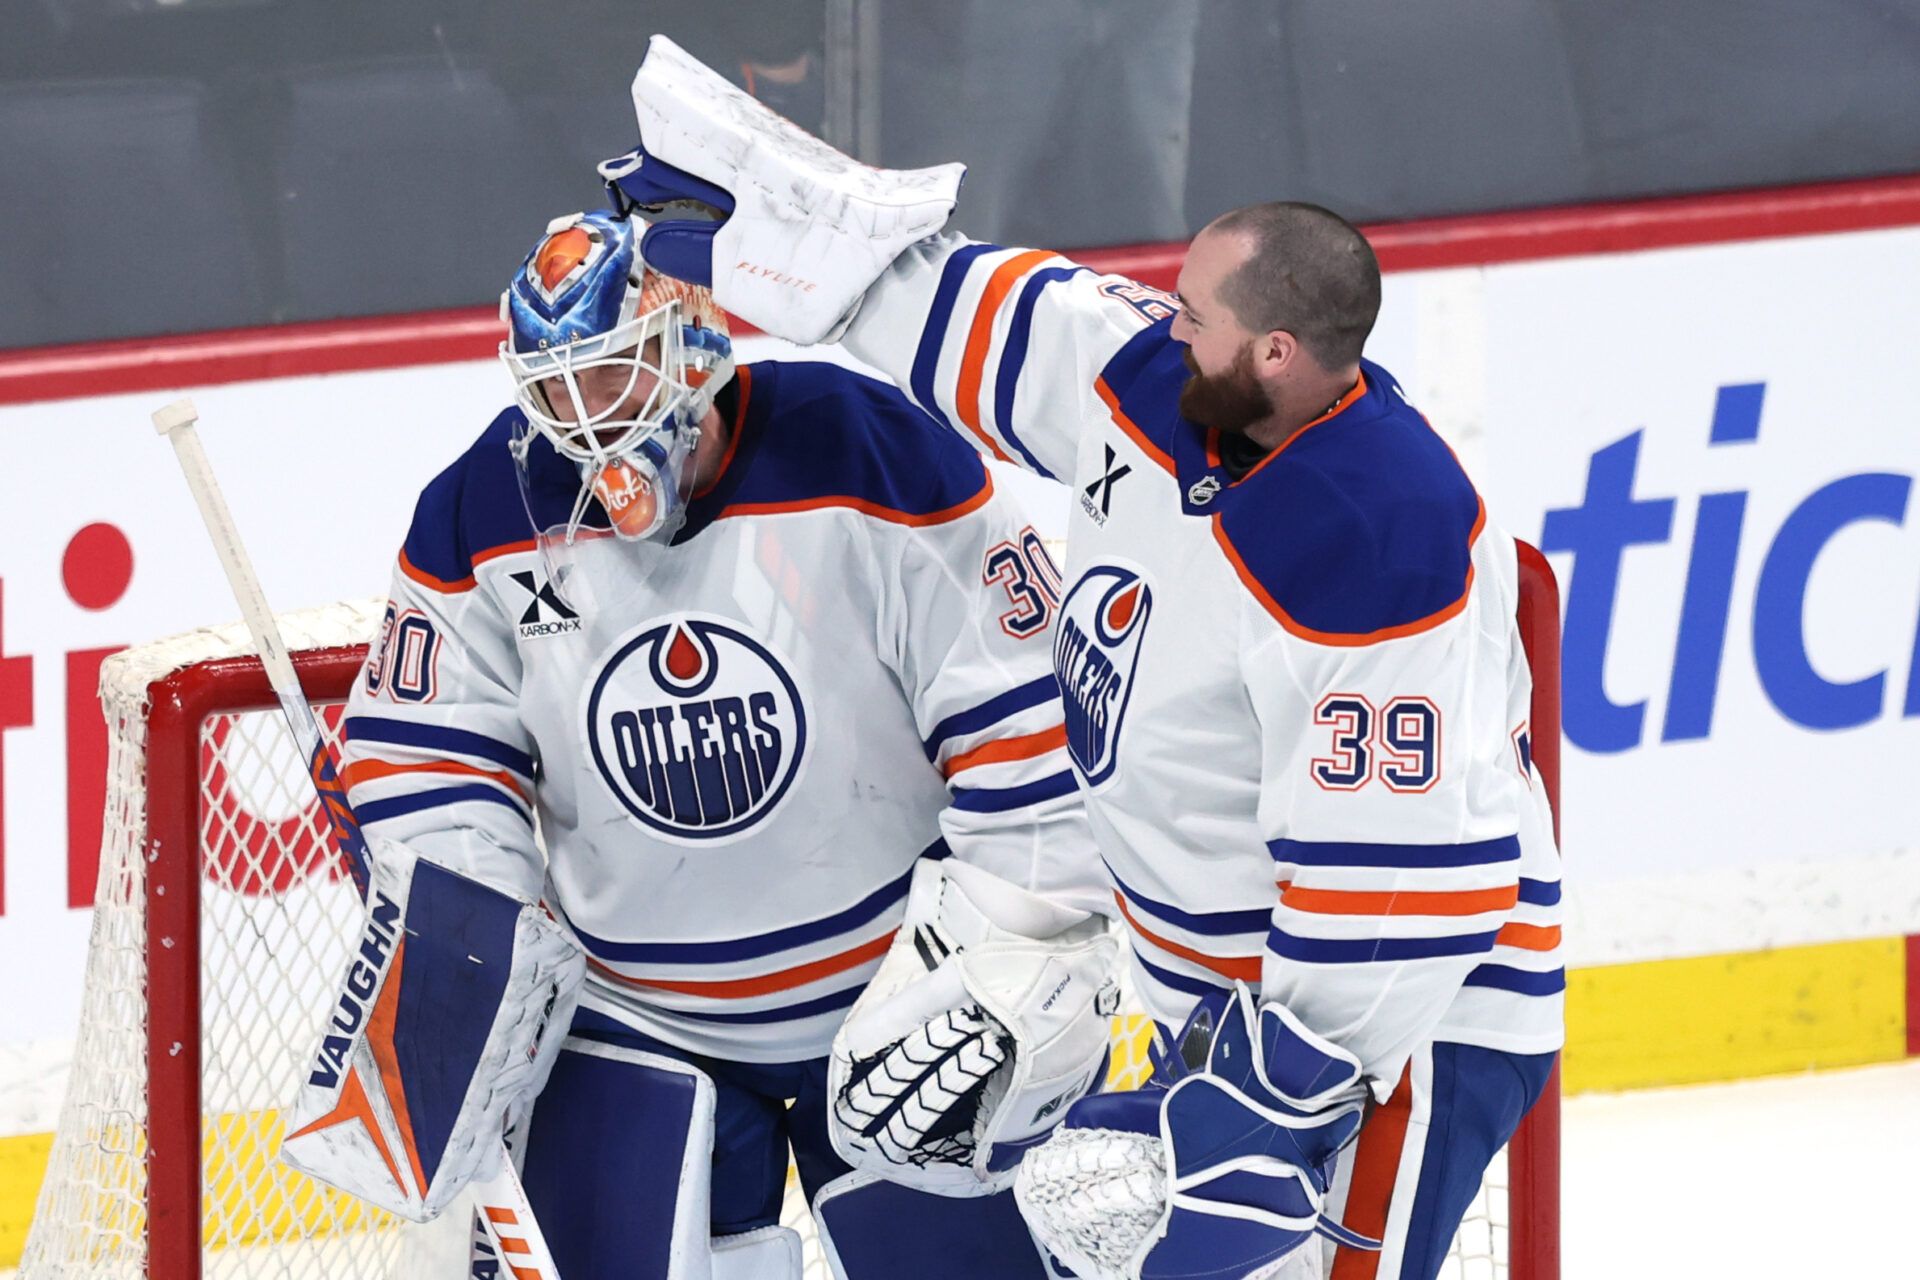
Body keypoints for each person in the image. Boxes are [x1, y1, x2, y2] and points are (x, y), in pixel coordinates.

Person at [604, 37, 1563, 1280]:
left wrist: (1273, 1089)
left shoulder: (1379, 540)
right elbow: (995, 319)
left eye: (1198, 314)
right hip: (1226, 1012)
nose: (1166, 323)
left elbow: (1405, 876)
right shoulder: (1161, 379)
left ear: (1274, 352)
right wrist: (806, 253)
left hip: (1384, 1034)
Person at [278, 207, 1121, 1280]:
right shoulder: (481, 506)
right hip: (634, 1017)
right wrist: (474, 936)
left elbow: (1030, 710)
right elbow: (427, 753)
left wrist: (1012, 937)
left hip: (896, 1004)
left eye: (615, 376)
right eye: (556, 389)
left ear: (692, 344)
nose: (586, 423)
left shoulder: (868, 449)